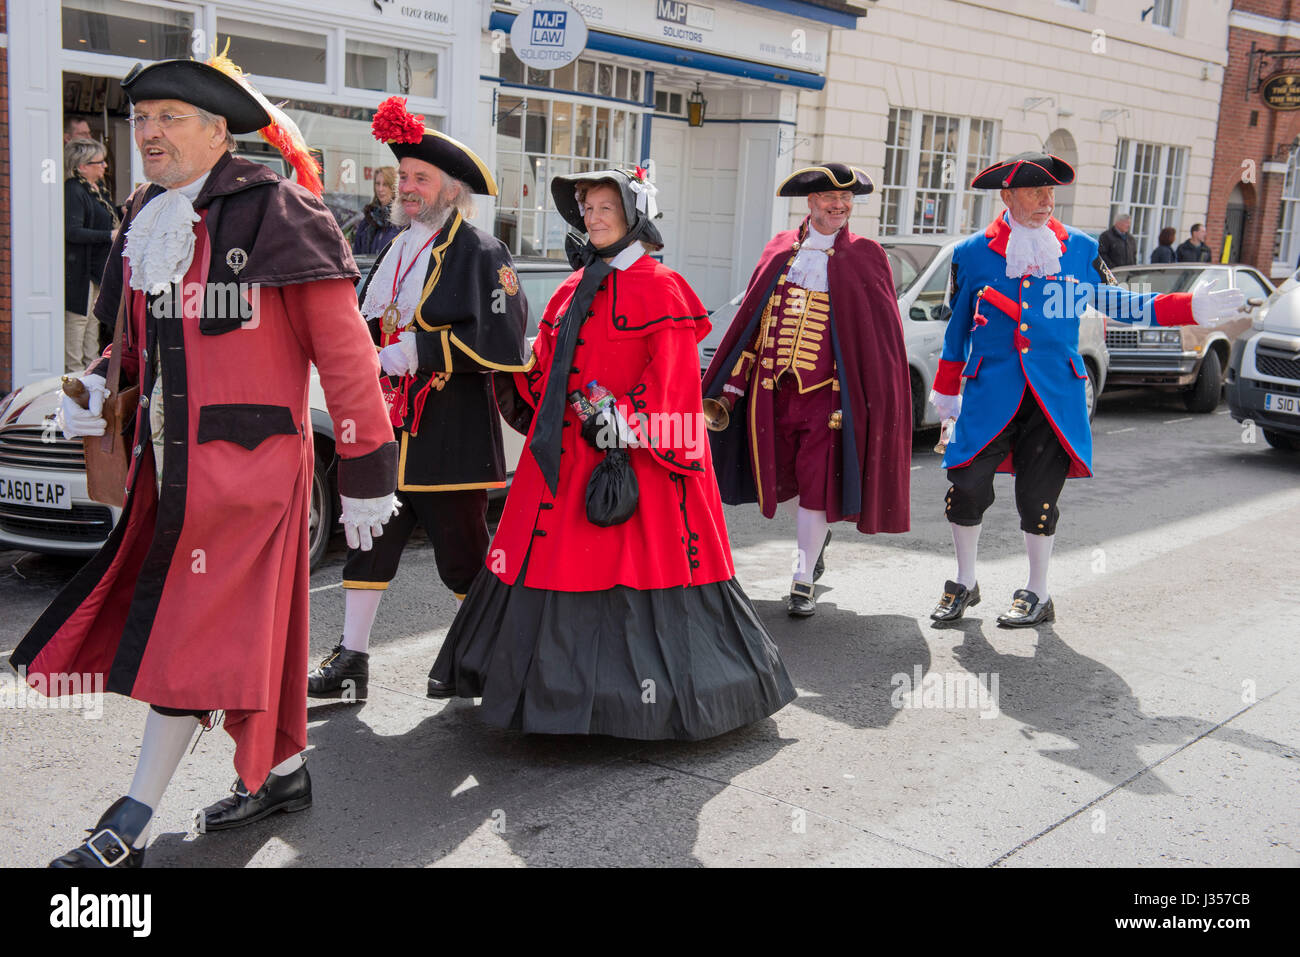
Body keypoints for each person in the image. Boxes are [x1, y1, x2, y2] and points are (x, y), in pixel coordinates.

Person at [10, 50, 398, 867]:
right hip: (170, 469)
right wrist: (99, 383)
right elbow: (144, 341)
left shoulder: (282, 214)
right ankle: (285, 772)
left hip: (250, 475)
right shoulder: (147, 213)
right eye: (142, 119)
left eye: (168, 119)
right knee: (251, 636)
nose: (148, 133)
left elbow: (347, 356)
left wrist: (366, 470)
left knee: (191, 639)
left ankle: (131, 820)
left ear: (219, 132)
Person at [426, 167, 796, 739]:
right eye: (588, 209)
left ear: (632, 215)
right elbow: (548, 364)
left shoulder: (662, 286)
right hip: (566, 456)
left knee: (629, 563)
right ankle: (548, 693)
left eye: (606, 207)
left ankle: (634, 707)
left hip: (641, 458)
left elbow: (672, 376)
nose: (594, 218)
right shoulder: (575, 286)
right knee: (547, 556)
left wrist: (622, 419)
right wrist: (511, 371)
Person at [926, 151, 1245, 627]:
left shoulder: (1077, 248)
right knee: (966, 485)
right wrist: (947, 392)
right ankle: (965, 581)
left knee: (1038, 499)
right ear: (1007, 196)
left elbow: (1124, 303)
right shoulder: (971, 253)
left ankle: (1037, 591)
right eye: (1036, 192)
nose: (1047, 201)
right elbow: (957, 332)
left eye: (1052, 192)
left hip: (1055, 394)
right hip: (990, 392)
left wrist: (1190, 308)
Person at [306, 97, 528, 701]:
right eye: (402, 177)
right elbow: (373, 325)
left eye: (418, 178)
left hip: (448, 433)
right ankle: (351, 661)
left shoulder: (482, 251)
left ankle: (486, 659)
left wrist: (422, 352)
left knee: (460, 557)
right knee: (367, 542)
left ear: (450, 190)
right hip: (386, 428)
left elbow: (503, 337)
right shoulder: (398, 247)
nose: (406, 187)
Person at [701, 164, 912, 616]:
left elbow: (878, 341)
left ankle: (801, 578)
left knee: (817, 486)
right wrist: (732, 385)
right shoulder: (780, 249)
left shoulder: (866, 255)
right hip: (772, 395)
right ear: (810, 202)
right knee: (775, 477)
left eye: (847, 199)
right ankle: (807, 551)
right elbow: (752, 325)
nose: (840, 206)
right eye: (829, 199)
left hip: (828, 400)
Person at [63, 138, 118, 371]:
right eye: (99, 162)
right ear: (82, 166)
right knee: (78, 320)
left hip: (97, 266)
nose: (105, 166)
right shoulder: (74, 189)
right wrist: (109, 235)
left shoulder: (97, 189)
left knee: (93, 319)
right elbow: (73, 231)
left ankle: (90, 369)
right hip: (81, 267)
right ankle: (73, 372)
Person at [352, 165, 400, 255]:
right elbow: (356, 254)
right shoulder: (367, 220)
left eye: (385, 184)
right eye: (377, 184)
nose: (380, 189)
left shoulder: (400, 222)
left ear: (393, 187)